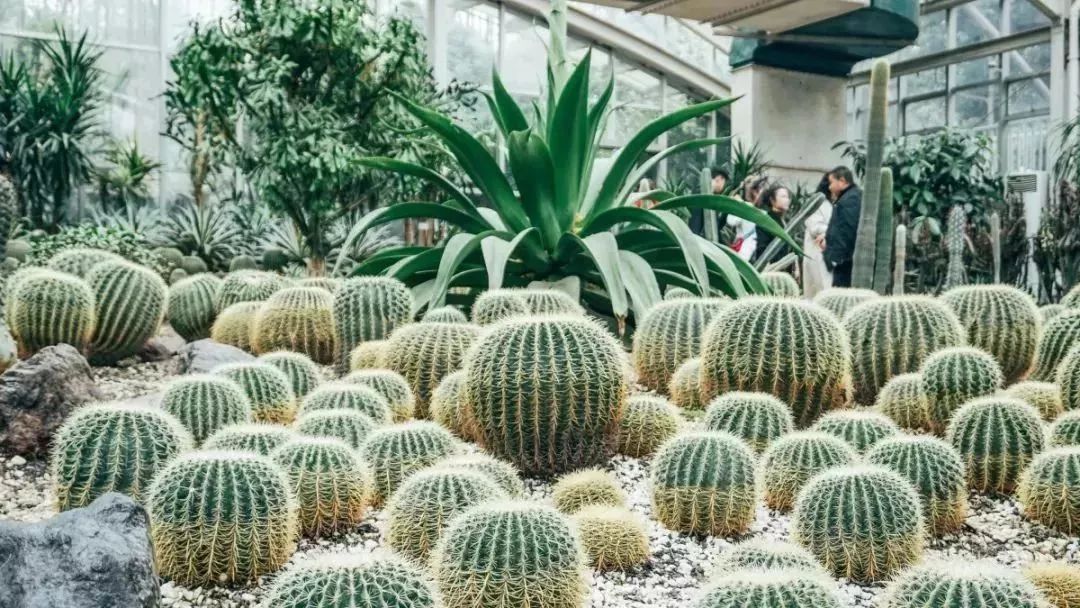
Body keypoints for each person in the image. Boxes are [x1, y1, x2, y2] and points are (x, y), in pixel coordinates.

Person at [822, 166, 862, 288]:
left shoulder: (851, 199)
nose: (829, 187)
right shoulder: (848, 197)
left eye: (831, 182)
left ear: (842, 181)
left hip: (845, 262)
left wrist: (837, 259)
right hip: (844, 260)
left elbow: (848, 231)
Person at [802, 173, 834, 298]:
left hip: (828, 254)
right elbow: (815, 227)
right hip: (817, 252)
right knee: (819, 291)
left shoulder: (832, 204)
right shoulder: (818, 203)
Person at [728, 175, 767, 262]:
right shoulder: (748, 207)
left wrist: (736, 206)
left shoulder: (762, 212)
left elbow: (731, 221)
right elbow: (732, 221)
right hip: (747, 250)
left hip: (747, 250)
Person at [753, 183, 792, 262]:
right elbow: (762, 248)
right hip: (771, 268)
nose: (787, 200)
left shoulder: (786, 221)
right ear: (772, 200)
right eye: (783, 197)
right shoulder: (766, 221)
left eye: (788, 197)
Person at [689, 167, 729, 237]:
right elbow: (695, 224)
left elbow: (716, 226)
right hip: (701, 241)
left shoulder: (712, 197)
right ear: (719, 179)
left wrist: (727, 211)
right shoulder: (701, 195)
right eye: (724, 182)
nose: (723, 186)